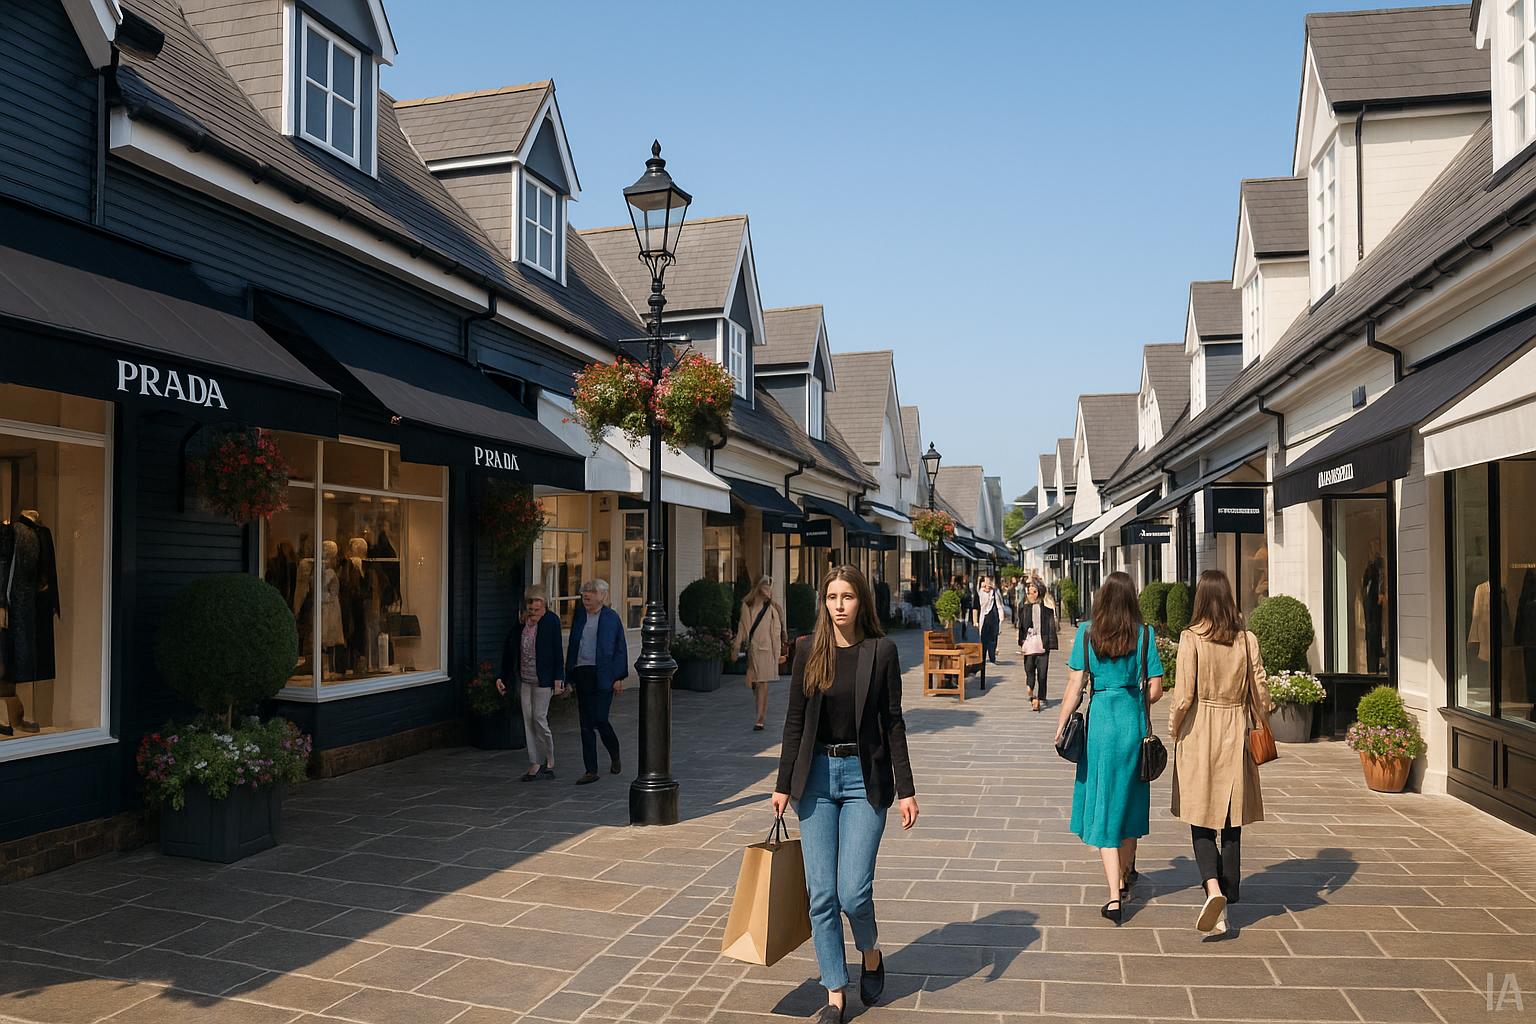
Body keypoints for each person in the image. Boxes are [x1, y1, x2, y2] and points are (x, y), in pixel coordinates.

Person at [772, 566, 918, 1023]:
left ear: (861, 603)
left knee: (852, 892)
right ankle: (835, 993)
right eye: (831, 597)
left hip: (863, 778)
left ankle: (870, 952)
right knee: (821, 895)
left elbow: (893, 722)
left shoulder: (883, 651)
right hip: (814, 779)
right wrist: (781, 784)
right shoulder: (807, 651)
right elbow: (794, 722)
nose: (838, 605)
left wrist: (908, 790)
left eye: (847, 597)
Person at [1053, 571, 1163, 925]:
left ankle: (1114, 896)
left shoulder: (1087, 633)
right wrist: (1135, 698)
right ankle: (1128, 872)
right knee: (1128, 798)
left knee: (1103, 803)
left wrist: (1060, 725)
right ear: (1132, 598)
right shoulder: (1144, 635)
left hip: (1100, 723)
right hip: (1131, 722)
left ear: (1101, 598)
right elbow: (1157, 690)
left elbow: (1075, 685)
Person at [1167, 570, 1271, 934]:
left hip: (1199, 731)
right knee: (1231, 816)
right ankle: (1229, 891)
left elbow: (1183, 695)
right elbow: (1261, 691)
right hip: (1235, 730)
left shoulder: (1191, 638)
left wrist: (1173, 727)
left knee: (1200, 815)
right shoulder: (1246, 640)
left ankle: (1213, 889)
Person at [496, 585, 564, 781]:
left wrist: (559, 678)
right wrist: (503, 676)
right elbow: (510, 650)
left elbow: (557, 651)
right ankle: (534, 762)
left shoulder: (552, 622)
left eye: (537, 608)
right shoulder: (521, 625)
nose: (533, 612)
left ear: (544, 605)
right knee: (528, 720)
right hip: (525, 678)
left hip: (544, 679)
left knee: (539, 718)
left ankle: (549, 758)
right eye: (530, 607)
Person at [564, 579, 628, 785]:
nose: (586, 595)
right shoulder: (580, 616)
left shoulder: (611, 618)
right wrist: (568, 677)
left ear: (603, 597)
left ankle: (614, 752)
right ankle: (591, 770)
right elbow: (574, 646)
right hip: (583, 672)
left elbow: (620, 648)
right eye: (584, 592)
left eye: (591, 592)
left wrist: (619, 677)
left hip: (604, 674)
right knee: (585, 724)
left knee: (600, 719)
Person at [732, 574, 788, 731]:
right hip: (753, 650)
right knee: (755, 683)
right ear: (758, 588)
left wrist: (776, 654)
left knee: (762, 682)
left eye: (769, 587)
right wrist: (736, 648)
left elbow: (777, 633)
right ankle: (759, 710)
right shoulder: (747, 605)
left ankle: (761, 717)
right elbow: (742, 628)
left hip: (767, 650)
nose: (768, 590)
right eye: (764, 586)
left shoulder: (773, 608)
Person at [1017, 578, 1057, 712]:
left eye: (1034, 592)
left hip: (1043, 644)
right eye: (1029, 592)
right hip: (1029, 644)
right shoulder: (1023, 609)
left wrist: (1051, 644)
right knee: (1029, 669)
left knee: (1043, 673)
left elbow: (1052, 627)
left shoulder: (1047, 611)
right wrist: (1021, 644)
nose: (1031, 595)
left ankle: (1039, 698)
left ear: (1038, 593)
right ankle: (1031, 689)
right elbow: (1021, 628)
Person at [977, 576, 1004, 664]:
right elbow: (977, 607)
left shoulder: (995, 592)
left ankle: (992, 658)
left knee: (993, 638)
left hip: (993, 617)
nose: (988, 585)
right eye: (986, 583)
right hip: (983, 617)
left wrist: (1001, 617)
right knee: (983, 639)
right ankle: (983, 658)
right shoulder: (979, 593)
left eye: (989, 582)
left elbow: (999, 604)